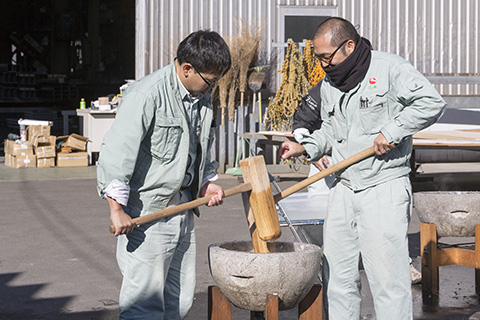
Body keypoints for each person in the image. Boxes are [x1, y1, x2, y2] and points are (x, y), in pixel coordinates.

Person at [280, 17, 445, 319]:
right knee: (338, 280)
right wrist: (306, 146)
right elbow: (330, 129)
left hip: (383, 187)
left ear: (349, 46)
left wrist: (393, 131)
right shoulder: (331, 83)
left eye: (326, 57)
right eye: (318, 58)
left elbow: (431, 103)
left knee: (387, 281)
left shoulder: (389, 69)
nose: (323, 65)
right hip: (343, 188)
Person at [97, 30, 231, 319]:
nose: (212, 88)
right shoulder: (147, 94)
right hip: (147, 215)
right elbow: (118, 151)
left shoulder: (201, 96)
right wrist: (116, 209)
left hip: (183, 210)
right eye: (210, 81)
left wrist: (206, 182)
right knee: (143, 306)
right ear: (186, 68)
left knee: (179, 302)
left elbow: (200, 146)